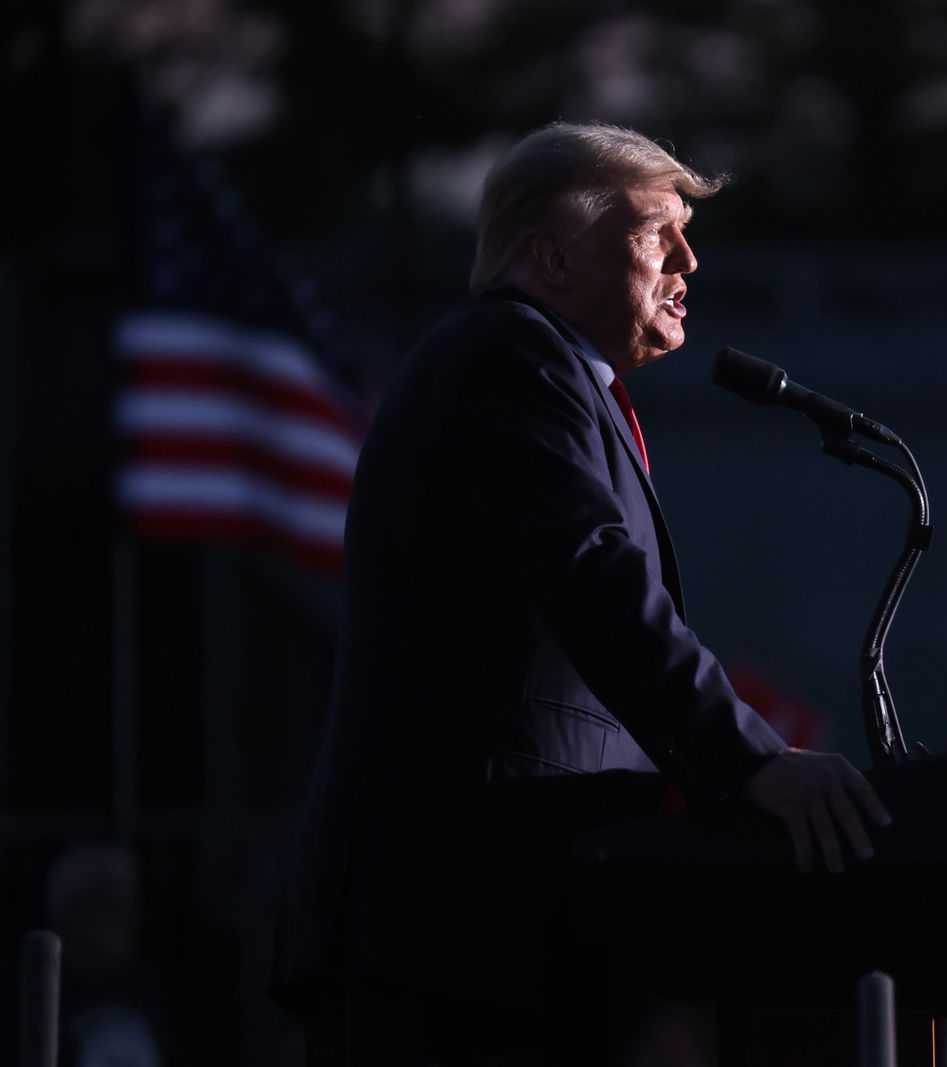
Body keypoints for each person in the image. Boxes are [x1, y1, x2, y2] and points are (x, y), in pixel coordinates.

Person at [273, 122, 890, 1066]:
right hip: (446, 929)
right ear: (554, 257)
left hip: (514, 930)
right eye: (657, 232)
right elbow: (595, 581)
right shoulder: (508, 358)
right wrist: (752, 762)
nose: (689, 259)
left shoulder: (560, 377)